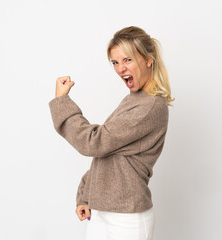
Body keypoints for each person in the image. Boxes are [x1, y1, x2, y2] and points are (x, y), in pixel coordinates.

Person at [48, 26, 174, 240]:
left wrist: (62, 102)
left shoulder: (150, 106)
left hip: (128, 218)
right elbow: (110, 154)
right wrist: (86, 195)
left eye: (127, 60)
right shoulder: (135, 98)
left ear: (147, 60)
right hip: (101, 211)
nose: (120, 69)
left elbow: (94, 142)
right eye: (115, 62)